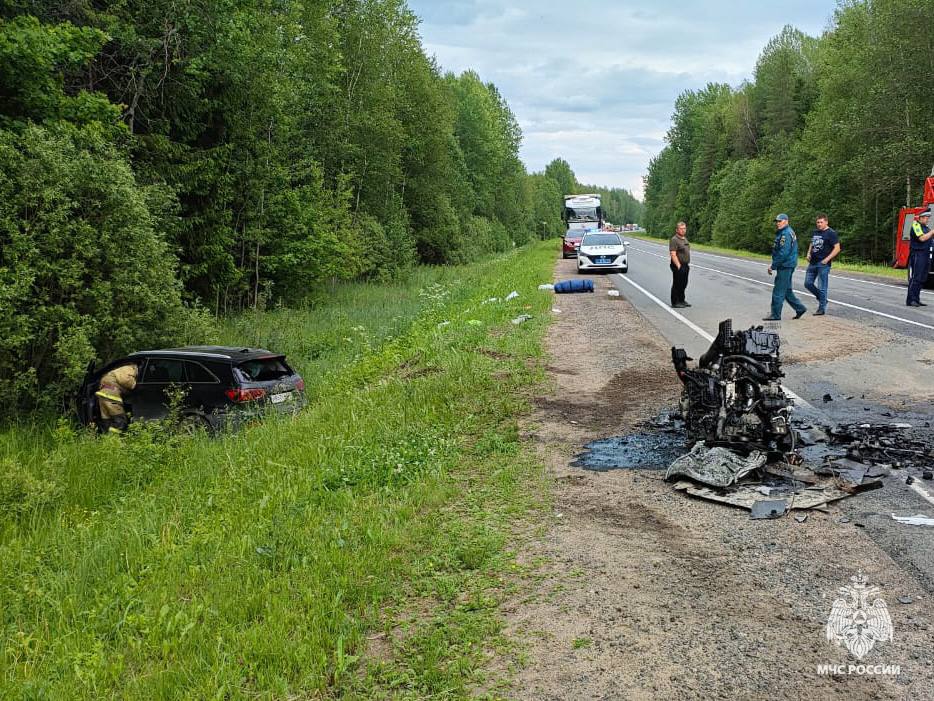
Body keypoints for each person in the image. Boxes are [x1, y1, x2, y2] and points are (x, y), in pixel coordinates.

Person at [764, 213, 807, 321]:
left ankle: (775, 315)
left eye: (780, 221)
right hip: (788, 264)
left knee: (778, 290)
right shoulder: (786, 232)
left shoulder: (785, 234)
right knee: (787, 290)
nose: (778, 223)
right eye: (777, 221)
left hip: (785, 265)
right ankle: (800, 308)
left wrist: (773, 266)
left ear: (786, 221)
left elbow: (783, 253)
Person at [804, 213, 841, 315]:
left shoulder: (831, 233)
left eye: (821, 222)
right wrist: (808, 253)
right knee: (807, 283)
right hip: (812, 263)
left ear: (826, 222)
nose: (819, 224)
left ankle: (821, 309)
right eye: (817, 222)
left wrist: (827, 259)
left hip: (823, 264)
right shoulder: (815, 232)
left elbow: (837, 248)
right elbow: (812, 243)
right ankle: (822, 299)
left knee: (822, 287)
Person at [96, 362, 139, 433]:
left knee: (107, 419)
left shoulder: (117, 370)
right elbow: (126, 380)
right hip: (111, 395)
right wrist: (134, 384)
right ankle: (115, 438)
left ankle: (106, 437)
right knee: (120, 420)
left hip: (103, 394)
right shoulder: (130, 368)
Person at [906, 208, 933, 307]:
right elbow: (922, 238)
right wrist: (932, 232)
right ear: (921, 218)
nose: (928, 219)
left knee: (922, 278)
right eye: (926, 217)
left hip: (926, 255)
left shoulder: (926, 228)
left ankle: (916, 299)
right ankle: (911, 300)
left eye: (928, 218)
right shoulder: (916, 225)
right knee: (916, 278)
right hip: (918, 254)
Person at [669, 221, 691, 308]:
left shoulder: (684, 239)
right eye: (681, 229)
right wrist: (678, 266)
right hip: (678, 265)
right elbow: (673, 254)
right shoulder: (674, 240)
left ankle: (682, 300)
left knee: (684, 283)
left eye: (684, 228)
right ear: (677, 230)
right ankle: (675, 302)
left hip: (685, 265)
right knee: (677, 283)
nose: (683, 230)